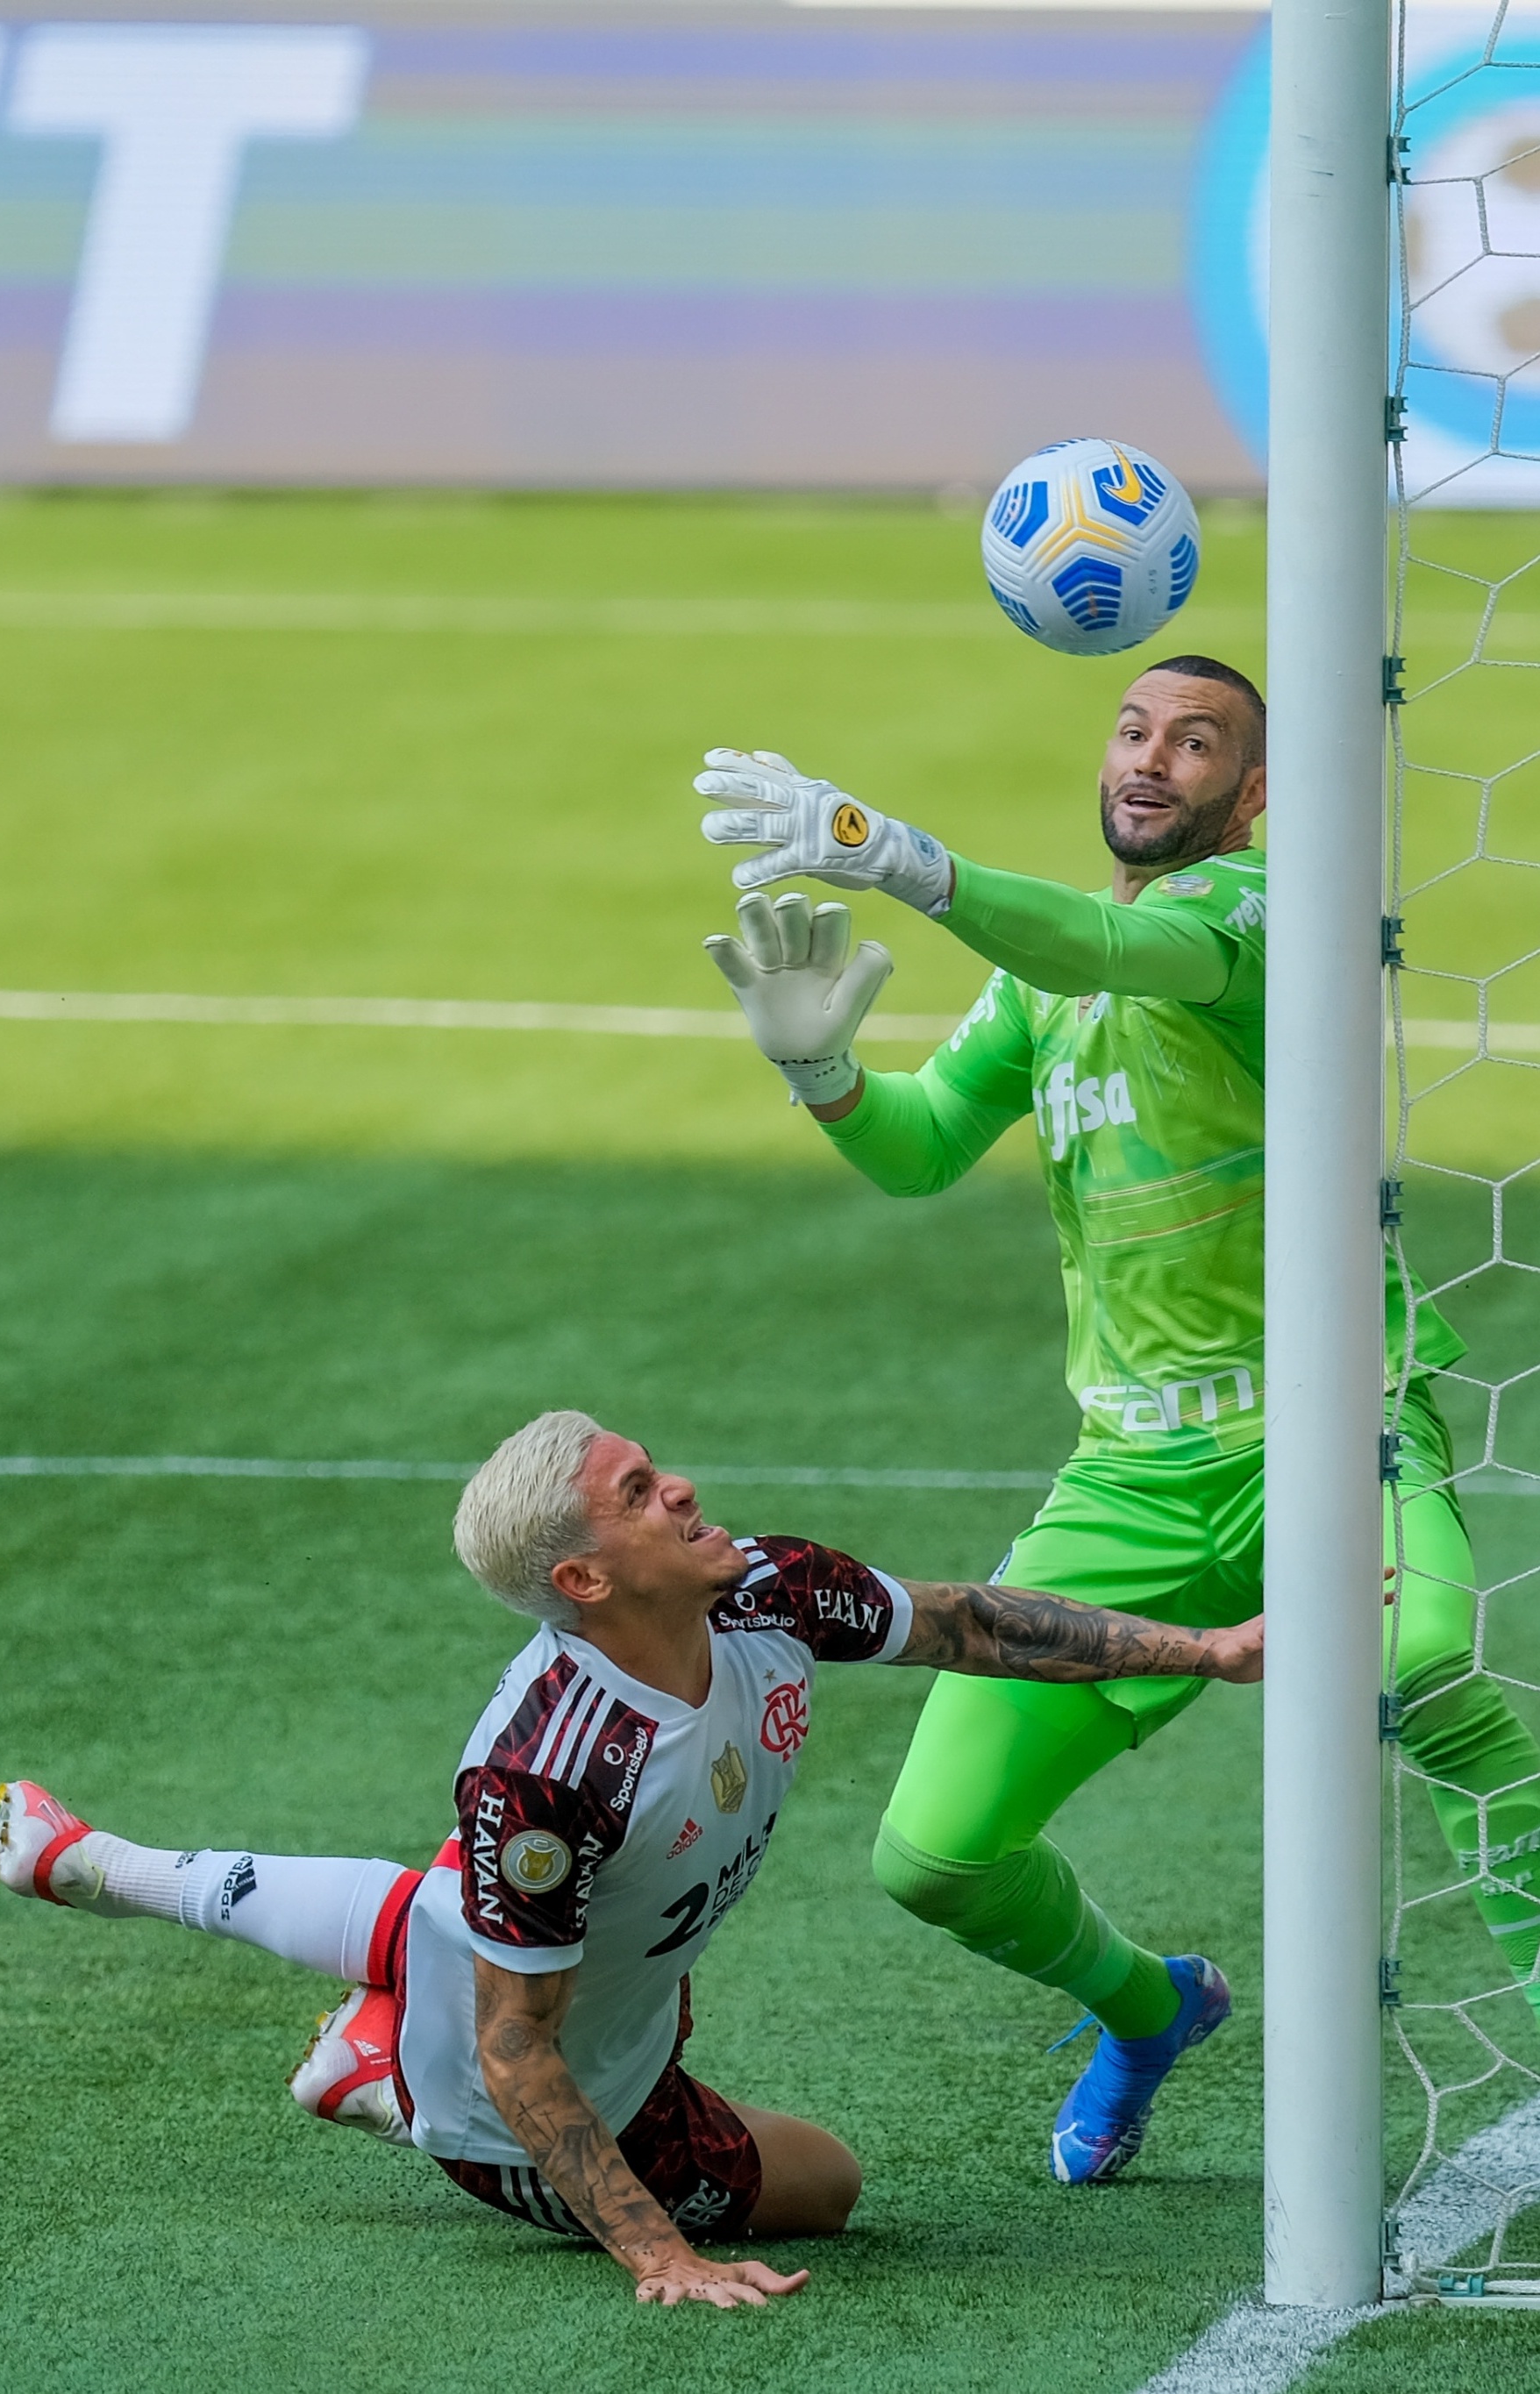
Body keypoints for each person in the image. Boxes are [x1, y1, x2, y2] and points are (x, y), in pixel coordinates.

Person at [687, 653, 1540, 2184]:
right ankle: (1150, 2010)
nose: (1155, 759)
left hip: (1329, 1431)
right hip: (1132, 1479)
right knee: (932, 1855)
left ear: (1255, 791)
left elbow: (1096, 939)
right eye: (1137, 730)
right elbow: (926, 1147)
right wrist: (821, 1072)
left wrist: (898, 856)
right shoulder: (1043, 990)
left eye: (1198, 742)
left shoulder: (1263, 918)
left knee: (1428, 1669)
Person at [0, 1409, 1264, 2309]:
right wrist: (658, 2253)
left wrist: (1210, 1648)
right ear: (587, 1575)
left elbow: (967, 1620)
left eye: (654, 1466)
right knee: (830, 2186)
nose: (684, 1490)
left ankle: (96, 1868)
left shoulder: (761, 1586)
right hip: (532, 2106)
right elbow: (518, 2051)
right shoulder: (544, 1780)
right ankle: (391, 2095)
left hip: (614, 1950)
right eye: (640, 1492)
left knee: (474, 1920)